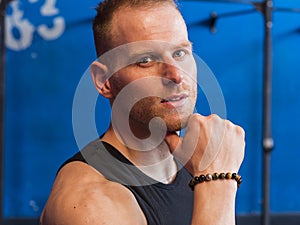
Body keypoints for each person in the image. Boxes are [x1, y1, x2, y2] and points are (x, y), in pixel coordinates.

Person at [40, 0, 245, 224]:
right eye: (145, 60)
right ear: (104, 81)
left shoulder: (193, 165)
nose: (176, 76)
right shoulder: (89, 203)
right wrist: (216, 180)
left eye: (179, 53)